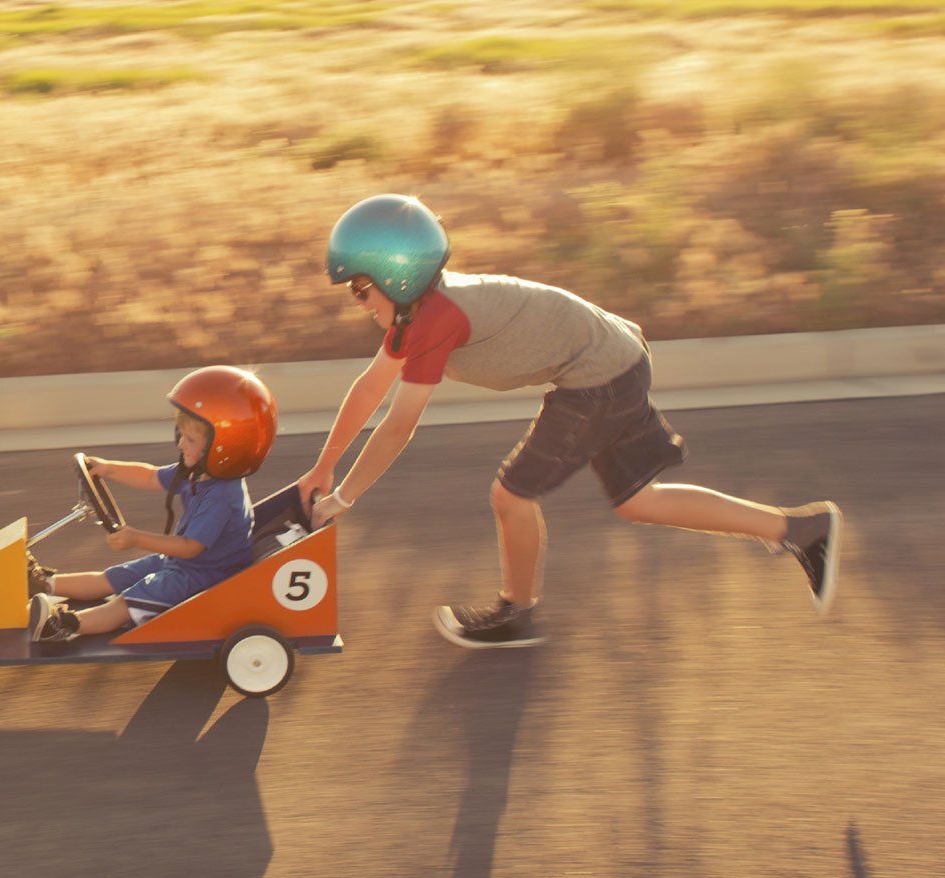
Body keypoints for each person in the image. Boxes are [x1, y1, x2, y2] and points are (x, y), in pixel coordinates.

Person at [296, 193, 842, 649]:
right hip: (611, 360)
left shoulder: (437, 317)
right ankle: (801, 529)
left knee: (511, 494)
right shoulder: (417, 313)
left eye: (361, 287)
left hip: (599, 376)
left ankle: (515, 612)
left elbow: (398, 424)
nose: (359, 300)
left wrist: (345, 497)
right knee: (637, 501)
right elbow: (371, 388)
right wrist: (323, 468)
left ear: (399, 275)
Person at [29, 365, 276, 642]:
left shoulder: (222, 495)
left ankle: (61, 626)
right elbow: (149, 476)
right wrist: (108, 468)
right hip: (183, 563)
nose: (181, 444)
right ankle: (41, 584)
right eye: (181, 435)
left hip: (205, 578)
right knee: (113, 577)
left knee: (126, 602)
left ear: (224, 447)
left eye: (190, 439)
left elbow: (190, 547)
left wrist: (136, 538)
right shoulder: (196, 471)